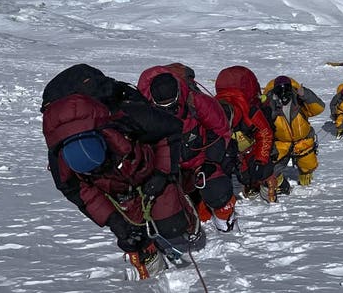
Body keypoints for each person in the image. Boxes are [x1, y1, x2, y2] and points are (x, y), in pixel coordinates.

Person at [42, 91, 200, 279]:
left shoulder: (127, 118)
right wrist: (113, 219)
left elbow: (171, 130)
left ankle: (186, 215)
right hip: (115, 188)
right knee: (129, 234)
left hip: (148, 171)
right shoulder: (61, 165)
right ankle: (148, 258)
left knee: (172, 224)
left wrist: (162, 174)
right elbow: (82, 194)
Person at [138, 64, 237, 232]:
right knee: (164, 211)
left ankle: (224, 218)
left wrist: (211, 161)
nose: (169, 109)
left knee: (218, 189)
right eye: (163, 106)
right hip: (165, 168)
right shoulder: (141, 111)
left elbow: (220, 129)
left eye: (172, 104)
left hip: (199, 161)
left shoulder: (196, 101)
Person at [214, 65, 276, 200]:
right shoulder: (212, 111)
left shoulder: (249, 111)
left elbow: (265, 134)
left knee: (262, 169)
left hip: (252, 145)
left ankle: (272, 185)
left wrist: (261, 161)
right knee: (244, 177)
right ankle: (250, 184)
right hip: (237, 150)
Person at [261, 75, 325, 187]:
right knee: (271, 169)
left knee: (308, 165)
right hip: (281, 142)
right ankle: (278, 184)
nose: (284, 93)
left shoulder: (299, 100)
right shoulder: (269, 104)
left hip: (303, 140)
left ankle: (305, 182)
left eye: (286, 89)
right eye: (280, 90)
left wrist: (305, 94)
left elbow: (319, 108)